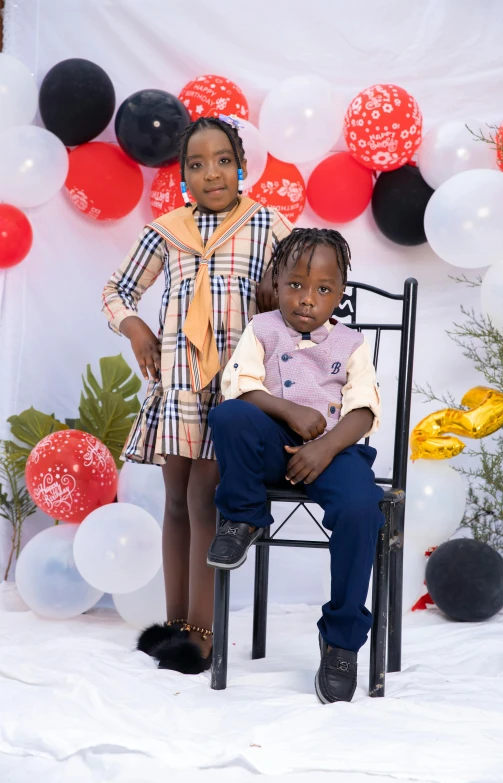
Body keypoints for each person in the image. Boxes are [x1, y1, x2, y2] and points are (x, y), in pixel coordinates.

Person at [101, 115, 292, 674]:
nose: (212, 173)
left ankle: (204, 634)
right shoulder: (167, 230)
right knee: (177, 498)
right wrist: (136, 328)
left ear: (243, 168)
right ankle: (174, 625)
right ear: (183, 176)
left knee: (207, 496)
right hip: (180, 380)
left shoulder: (268, 227)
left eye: (224, 161)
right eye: (197, 164)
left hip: (236, 387)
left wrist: (273, 300)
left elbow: (312, 290)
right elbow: (117, 288)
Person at [207, 228, 383, 703]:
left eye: (323, 289)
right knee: (228, 414)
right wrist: (289, 412)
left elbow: (364, 410)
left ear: (339, 294)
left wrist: (324, 448)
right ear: (277, 282)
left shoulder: (352, 344)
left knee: (363, 507)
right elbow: (238, 385)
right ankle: (244, 517)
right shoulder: (262, 328)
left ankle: (342, 640)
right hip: (270, 446)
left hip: (334, 451)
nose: (307, 299)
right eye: (295, 285)